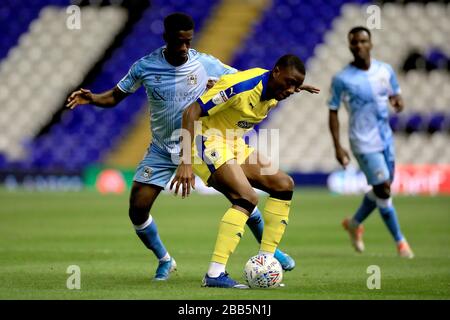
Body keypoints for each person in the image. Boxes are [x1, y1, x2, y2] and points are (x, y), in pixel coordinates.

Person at [65, 13, 296, 281]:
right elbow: (115, 96)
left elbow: (246, 81)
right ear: (166, 38)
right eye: (179, 42)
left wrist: (289, 85)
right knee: (137, 209)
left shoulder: (205, 63)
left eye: (188, 41)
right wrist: (92, 97)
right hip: (163, 149)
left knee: (241, 197)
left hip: (201, 144)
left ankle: (270, 252)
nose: (185, 48)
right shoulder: (145, 67)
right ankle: (165, 260)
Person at [170, 54, 320, 288]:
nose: (291, 90)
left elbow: (273, 84)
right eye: (289, 82)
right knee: (247, 197)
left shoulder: (275, 92)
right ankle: (215, 274)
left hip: (233, 143)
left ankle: (266, 261)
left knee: (283, 184)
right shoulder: (242, 88)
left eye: (296, 86)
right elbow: (190, 112)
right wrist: (185, 162)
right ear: (276, 71)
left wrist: (293, 87)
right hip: (205, 141)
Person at [327, 26, 414, 258]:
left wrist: (398, 102)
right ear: (350, 46)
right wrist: (337, 145)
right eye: (354, 42)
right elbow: (333, 111)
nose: (359, 46)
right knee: (384, 189)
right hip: (362, 141)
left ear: (371, 44)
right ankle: (401, 242)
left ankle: (354, 223)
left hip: (385, 138)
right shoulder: (342, 78)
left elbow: (395, 94)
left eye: (363, 41)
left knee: (380, 189)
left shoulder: (385, 71)